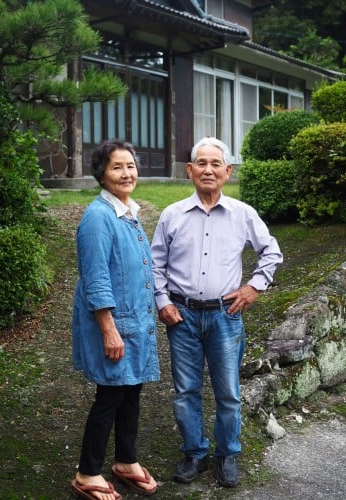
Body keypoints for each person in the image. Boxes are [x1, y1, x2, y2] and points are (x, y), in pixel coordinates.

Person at [151, 137, 283, 488]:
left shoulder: (243, 214)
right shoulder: (172, 215)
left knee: (228, 391)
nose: (208, 169)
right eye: (201, 163)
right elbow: (155, 265)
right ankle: (194, 451)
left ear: (227, 172)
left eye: (216, 164)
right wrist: (162, 301)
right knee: (186, 391)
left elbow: (271, 252)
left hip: (226, 315)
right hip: (181, 315)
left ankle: (227, 454)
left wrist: (254, 286)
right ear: (190, 171)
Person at [71, 140, 159, 500]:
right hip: (115, 325)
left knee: (131, 392)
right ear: (101, 175)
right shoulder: (98, 217)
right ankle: (87, 472)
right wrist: (109, 331)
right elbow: (96, 279)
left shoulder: (128, 211)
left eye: (131, 166)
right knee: (109, 396)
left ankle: (126, 460)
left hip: (135, 322)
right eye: (117, 167)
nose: (127, 173)